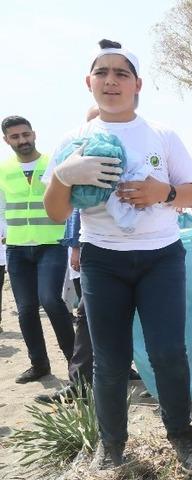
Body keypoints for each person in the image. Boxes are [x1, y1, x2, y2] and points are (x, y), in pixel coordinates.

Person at [42, 39, 192, 473]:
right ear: (88, 82)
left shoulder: (161, 135)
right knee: (110, 360)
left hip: (160, 258)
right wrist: (63, 174)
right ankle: (112, 442)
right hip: (103, 261)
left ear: (138, 84)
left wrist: (162, 192)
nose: (111, 81)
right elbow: (56, 211)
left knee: (168, 352)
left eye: (121, 74)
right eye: (103, 73)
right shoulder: (73, 140)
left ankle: (181, 433)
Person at [0, 115, 75, 383]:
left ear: (34, 134)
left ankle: (76, 364)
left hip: (51, 244)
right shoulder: (3, 170)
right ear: (6, 140)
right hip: (18, 248)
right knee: (25, 309)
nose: (23, 140)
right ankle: (39, 365)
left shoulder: (52, 165)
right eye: (15, 137)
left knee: (51, 300)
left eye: (26, 134)